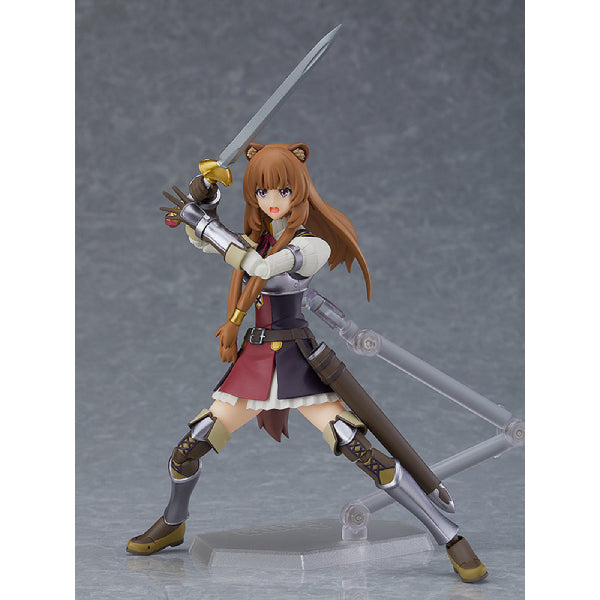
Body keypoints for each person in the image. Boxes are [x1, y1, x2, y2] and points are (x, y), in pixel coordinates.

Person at [126, 142, 487, 583]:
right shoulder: (257, 239)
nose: (271, 201)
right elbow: (213, 243)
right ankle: (173, 521)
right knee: (191, 445)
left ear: (299, 192)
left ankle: (449, 534)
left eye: (282, 191)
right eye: (261, 192)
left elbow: (260, 268)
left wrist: (203, 222)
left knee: (357, 446)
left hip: (298, 362)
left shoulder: (311, 246)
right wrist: (205, 200)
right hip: (255, 362)